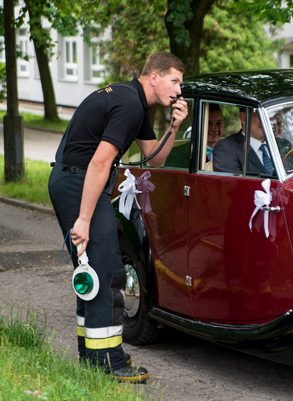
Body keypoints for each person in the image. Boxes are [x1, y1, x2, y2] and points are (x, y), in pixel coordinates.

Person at [47, 52, 188, 383]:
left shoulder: (133, 101)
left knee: (94, 271)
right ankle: (108, 361)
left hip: (75, 181)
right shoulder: (129, 105)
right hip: (80, 183)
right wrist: (83, 220)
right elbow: (100, 162)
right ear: (154, 76)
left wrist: (174, 126)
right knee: (107, 271)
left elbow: (155, 158)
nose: (178, 90)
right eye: (174, 81)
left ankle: (93, 354)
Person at [213, 108, 293, 174]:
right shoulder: (226, 148)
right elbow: (233, 187)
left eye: (271, 115)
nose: (268, 119)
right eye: (261, 114)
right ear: (244, 118)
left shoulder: (284, 145)